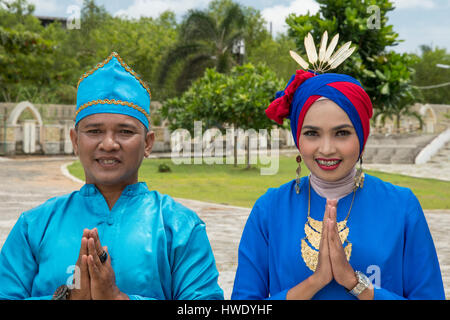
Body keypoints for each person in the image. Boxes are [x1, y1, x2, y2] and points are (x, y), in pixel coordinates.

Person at [231, 32, 445, 300]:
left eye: (342, 133)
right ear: (298, 138)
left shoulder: (402, 207)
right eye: (312, 133)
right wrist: (316, 282)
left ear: (362, 137)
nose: (327, 148)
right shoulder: (269, 209)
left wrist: (354, 283)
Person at [0, 52, 224, 300]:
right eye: (94, 131)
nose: (108, 144)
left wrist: (117, 298)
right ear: (75, 140)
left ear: (148, 143)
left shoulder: (179, 227)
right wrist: (67, 298)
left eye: (125, 131)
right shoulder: (34, 226)